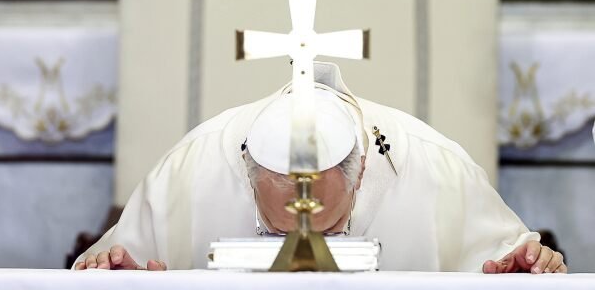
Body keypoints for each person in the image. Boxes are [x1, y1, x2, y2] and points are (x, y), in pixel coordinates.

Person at [74, 62, 566, 273]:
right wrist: (118, 279)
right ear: (247, 170)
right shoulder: (194, 165)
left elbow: (515, 271)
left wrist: (531, 268)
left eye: (326, 224)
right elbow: (106, 273)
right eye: (278, 228)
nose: (303, 254)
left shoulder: (437, 168)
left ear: (362, 170)